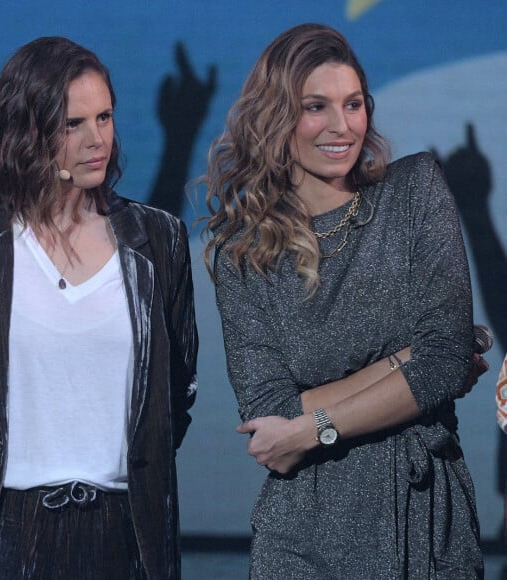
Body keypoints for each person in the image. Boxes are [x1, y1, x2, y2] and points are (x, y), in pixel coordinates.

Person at [204, 23, 484, 578]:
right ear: (277, 117)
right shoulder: (242, 251)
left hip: (424, 515)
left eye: (353, 104)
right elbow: (270, 416)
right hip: (304, 533)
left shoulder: (414, 191)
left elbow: (450, 359)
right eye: (316, 106)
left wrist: (312, 427)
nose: (341, 126)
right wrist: (406, 361)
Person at [0, 36, 198, 579]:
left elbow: (175, 396)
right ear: (27, 129)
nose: (97, 139)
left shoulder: (158, 240)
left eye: (104, 117)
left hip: (124, 534)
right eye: (73, 124)